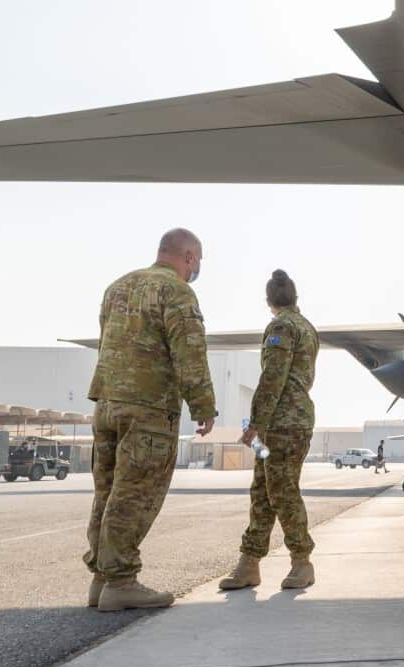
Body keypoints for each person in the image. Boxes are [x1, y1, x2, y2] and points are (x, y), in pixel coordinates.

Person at [85, 228, 216, 612]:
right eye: (198, 262)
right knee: (135, 492)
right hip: (148, 408)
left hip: (107, 403)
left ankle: (101, 579)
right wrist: (202, 405)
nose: (196, 270)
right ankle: (121, 581)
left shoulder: (117, 287)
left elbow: (108, 339)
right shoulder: (177, 291)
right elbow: (190, 353)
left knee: (106, 493)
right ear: (189, 257)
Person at [219, 270, 320, 591]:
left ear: (269, 301)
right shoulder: (306, 327)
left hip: (282, 424)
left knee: (281, 490)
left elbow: (272, 378)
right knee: (263, 491)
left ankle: (302, 561)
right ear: (294, 297)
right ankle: (249, 563)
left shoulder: (281, 327)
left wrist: (255, 425)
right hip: (289, 422)